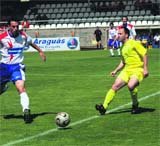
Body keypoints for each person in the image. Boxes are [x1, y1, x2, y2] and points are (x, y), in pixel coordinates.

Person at [0, 18, 46, 123]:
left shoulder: (23, 36)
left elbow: (31, 42)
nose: (15, 28)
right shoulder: (2, 37)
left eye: (17, 26)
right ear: (9, 27)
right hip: (3, 67)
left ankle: (26, 110)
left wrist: (40, 51)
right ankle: (3, 88)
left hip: (17, 67)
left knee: (21, 88)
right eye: (13, 26)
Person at [95, 27, 149, 115]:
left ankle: (135, 105)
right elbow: (123, 62)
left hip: (137, 69)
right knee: (115, 86)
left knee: (131, 86)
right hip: (127, 70)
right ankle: (104, 107)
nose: (118, 36)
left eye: (120, 34)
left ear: (126, 35)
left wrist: (145, 68)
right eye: (118, 34)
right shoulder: (122, 47)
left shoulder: (134, 43)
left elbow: (144, 53)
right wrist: (115, 70)